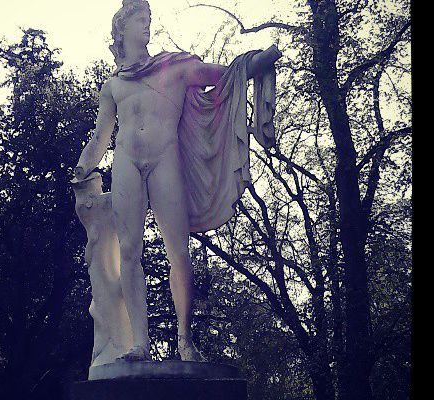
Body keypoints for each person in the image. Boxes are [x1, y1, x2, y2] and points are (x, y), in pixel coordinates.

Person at [74, 0, 281, 362]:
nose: (147, 26)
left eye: (149, 20)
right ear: (121, 31)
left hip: (164, 159)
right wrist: (82, 167)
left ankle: (185, 339)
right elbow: (100, 136)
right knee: (129, 252)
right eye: (140, 21)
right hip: (125, 162)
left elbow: (224, 75)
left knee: (178, 251)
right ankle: (140, 343)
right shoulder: (114, 86)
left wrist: (256, 62)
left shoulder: (174, 69)